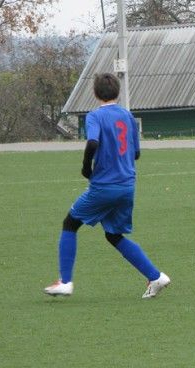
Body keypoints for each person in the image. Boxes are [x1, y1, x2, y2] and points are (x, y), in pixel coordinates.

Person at [44, 73, 170, 299]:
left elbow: (93, 142)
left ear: (95, 93)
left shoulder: (95, 116)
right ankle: (155, 276)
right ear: (118, 92)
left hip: (105, 185)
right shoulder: (128, 116)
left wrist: (86, 167)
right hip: (127, 185)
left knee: (70, 223)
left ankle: (65, 281)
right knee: (114, 235)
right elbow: (136, 153)